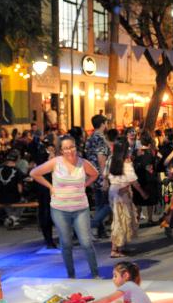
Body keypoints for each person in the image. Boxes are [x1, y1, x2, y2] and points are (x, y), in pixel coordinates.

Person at [30, 135, 101, 279]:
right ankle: (71, 275)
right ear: (61, 150)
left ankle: (95, 274)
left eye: (72, 147)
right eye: (66, 148)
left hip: (80, 207)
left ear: (76, 147)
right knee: (66, 243)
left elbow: (95, 174)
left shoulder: (83, 163)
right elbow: (34, 173)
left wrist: (85, 185)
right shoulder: (56, 162)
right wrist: (50, 186)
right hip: (60, 209)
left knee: (86, 242)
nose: (70, 151)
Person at [108, 139, 144, 259]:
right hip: (122, 193)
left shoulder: (111, 159)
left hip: (113, 190)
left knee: (118, 219)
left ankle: (119, 246)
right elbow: (133, 180)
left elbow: (105, 175)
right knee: (121, 221)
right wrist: (143, 193)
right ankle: (114, 249)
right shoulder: (126, 162)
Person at [85, 114, 112, 239]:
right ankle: (91, 224)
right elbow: (102, 159)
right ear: (102, 124)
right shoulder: (100, 139)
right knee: (109, 204)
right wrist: (104, 177)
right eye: (106, 123)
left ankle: (100, 231)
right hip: (101, 174)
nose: (107, 125)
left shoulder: (90, 138)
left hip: (92, 174)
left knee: (100, 204)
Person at [34, 132, 57, 248]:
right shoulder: (45, 155)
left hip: (45, 187)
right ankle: (49, 240)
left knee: (46, 212)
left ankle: (49, 239)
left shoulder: (42, 154)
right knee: (47, 212)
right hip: (47, 187)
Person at [0, 149, 25, 229]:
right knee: (23, 200)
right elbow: (19, 188)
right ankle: (13, 218)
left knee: (5, 199)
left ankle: (11, 219)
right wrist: (21, 194)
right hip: (13, 196)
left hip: (0, 196)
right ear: (17, 159)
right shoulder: (17, 171)